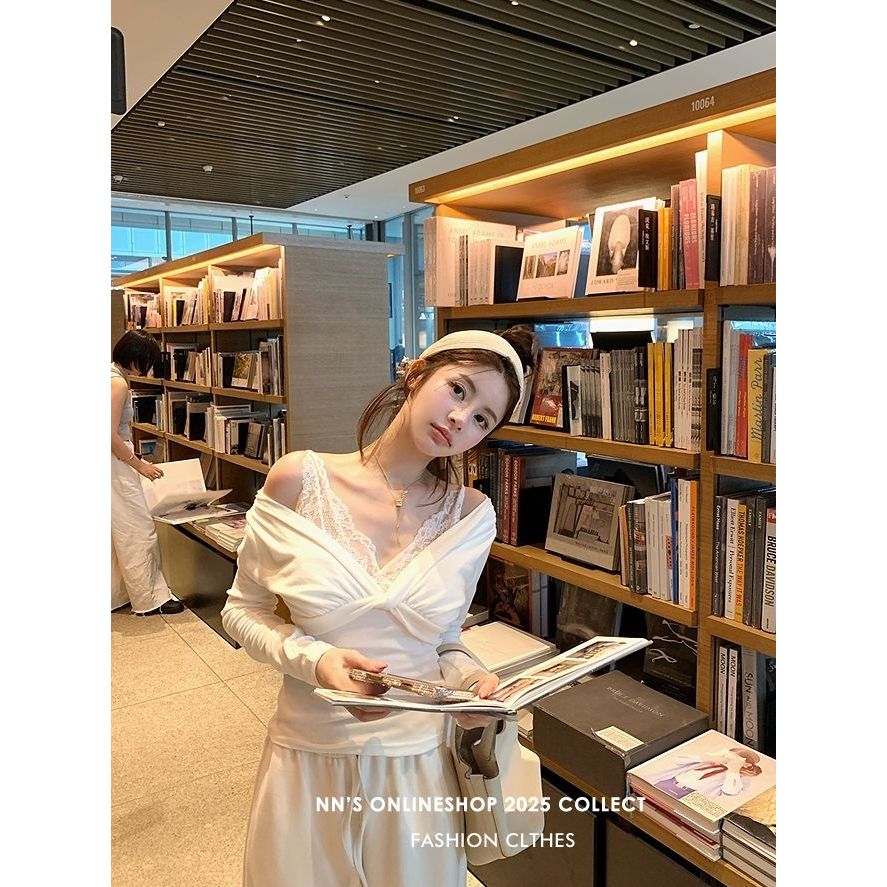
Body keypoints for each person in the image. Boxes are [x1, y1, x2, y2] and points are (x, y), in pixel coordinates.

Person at [221, 326, 538, 887]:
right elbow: (242, 611)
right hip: (309, 755)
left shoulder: (471, 514)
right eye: (458, 390)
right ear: (415, 374)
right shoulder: (300, 479)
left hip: (418, 768)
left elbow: (445, 640)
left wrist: (472, 682)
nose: (461, 419)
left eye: (482, 418)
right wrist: (317, 661)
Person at [111, 330, 184, 617]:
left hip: (113, 462)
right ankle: (150, 598)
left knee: (117, 532)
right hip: (116, 464)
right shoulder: (118, 383)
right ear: (136, 358)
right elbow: (108, 434)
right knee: (137, 529)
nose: (149, 368)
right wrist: (139, 464)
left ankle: (120, 594)